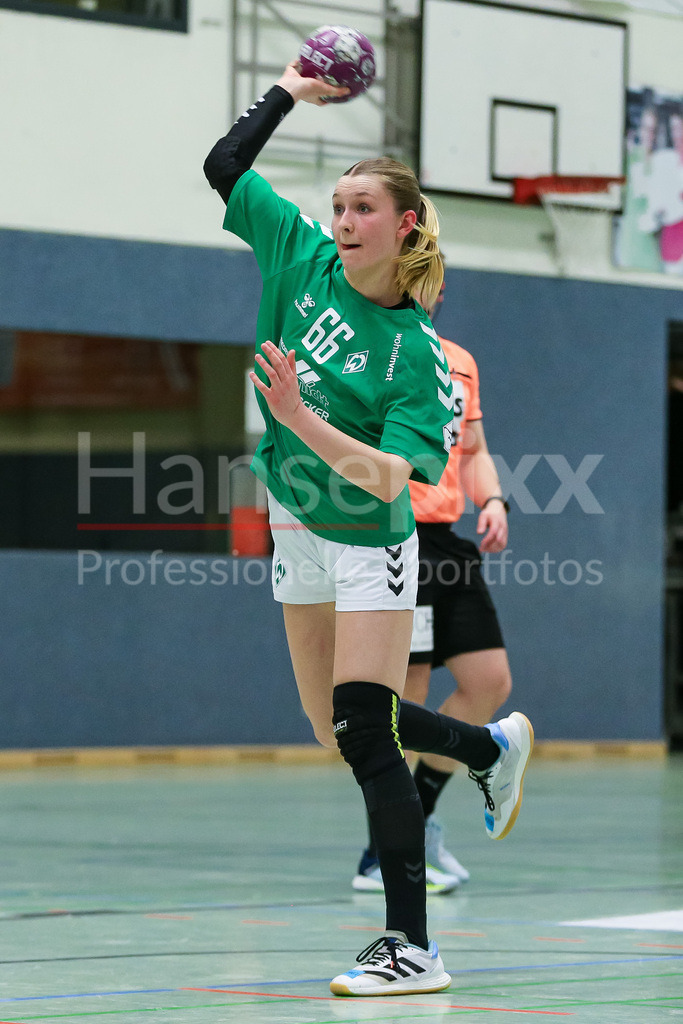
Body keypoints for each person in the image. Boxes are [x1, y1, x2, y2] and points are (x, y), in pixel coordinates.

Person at [203, 60, 534, 998]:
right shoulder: (299, 257)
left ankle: (411, 948)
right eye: (338, 207)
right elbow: (225, 166)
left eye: (362, 210)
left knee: (364, 725)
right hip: (294, 520)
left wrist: (297, 417)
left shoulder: (418, 355)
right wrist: (287, 89)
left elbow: (394, 476)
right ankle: (487, 749)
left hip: (368, 539)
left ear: (406, 227)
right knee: (333, 726)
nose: (343, 221)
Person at [353, 282, 513, 893]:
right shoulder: (373, 349)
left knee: (489, 680)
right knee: (407, 696)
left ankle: (416, 819)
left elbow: (473, 450)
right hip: (395, 533)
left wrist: (492, 499)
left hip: (447, 541)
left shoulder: (460, 361)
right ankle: (382, 854)